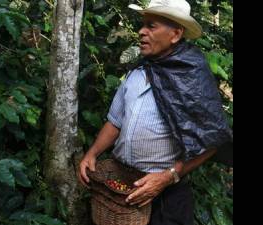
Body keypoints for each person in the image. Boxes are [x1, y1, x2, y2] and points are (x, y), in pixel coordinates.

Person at [78, 0, 233, 224]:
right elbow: (115, 122)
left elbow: (212, 141)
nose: (141, 32)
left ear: (176, 34)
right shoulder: (137, 72)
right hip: (123, 189)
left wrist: (168, 177)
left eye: (151, 26)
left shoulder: (193, 79)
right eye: (142, 25)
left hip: (168, 199)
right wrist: (92, 153)